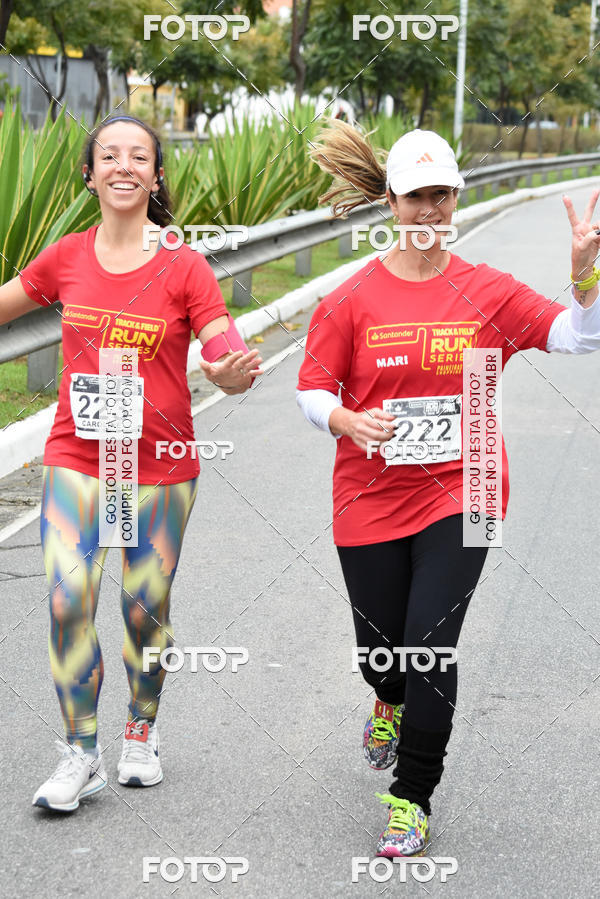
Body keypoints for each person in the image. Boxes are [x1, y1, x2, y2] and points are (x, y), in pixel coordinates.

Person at [296, 121, 600, 857]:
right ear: (391, 203)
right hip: (368, 495)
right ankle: (387, 699)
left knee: (430, 642)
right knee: (382, 653)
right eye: (417, 197)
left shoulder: (486, 290)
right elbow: (310, 387)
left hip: (465, 492)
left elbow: (578, 336)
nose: (430, 211)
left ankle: (412, 796)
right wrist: (345, 418)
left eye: (442, 196)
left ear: (456, 199)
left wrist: (587, 276)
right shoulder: (354, 298)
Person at [0, 114, 263, 812]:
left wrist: (232, 371)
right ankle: (79, 752)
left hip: (161, 465)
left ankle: (140, 728)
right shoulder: (65, 257)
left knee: (143, 608)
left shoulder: (183, 263)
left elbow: (220, 343)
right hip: (78, 456)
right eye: (108, 155)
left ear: (156, 175)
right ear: (89, 173)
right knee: (66, 598)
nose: (123, 165)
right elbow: (6, 306)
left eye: (138, 156)